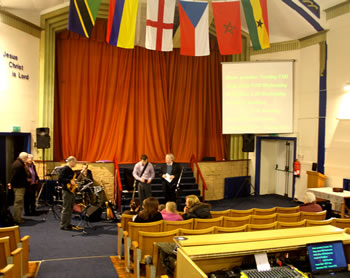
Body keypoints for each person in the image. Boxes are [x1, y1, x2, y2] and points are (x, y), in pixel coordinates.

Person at [8, 152, 29, 224]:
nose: (27, 159)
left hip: (19, 186)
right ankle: (17, 219)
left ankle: (18, 217)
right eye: (26, 158)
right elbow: (13, 176)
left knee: (19, 203)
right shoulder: (18, 165)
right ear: (24, 158)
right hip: (19, 186)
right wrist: (10, 183)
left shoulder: (18, 163)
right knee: (18, 203)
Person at [58, 156, 77, 230]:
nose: (75, 164)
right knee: (66, 208)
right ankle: (63, 225)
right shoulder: (65, 169)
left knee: (70, 207)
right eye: (75, 162)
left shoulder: (69, 169)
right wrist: (69, 181)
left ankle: (68, 223)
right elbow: (60, 179)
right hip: (66, 190)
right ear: (71, 161)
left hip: (70, 190)